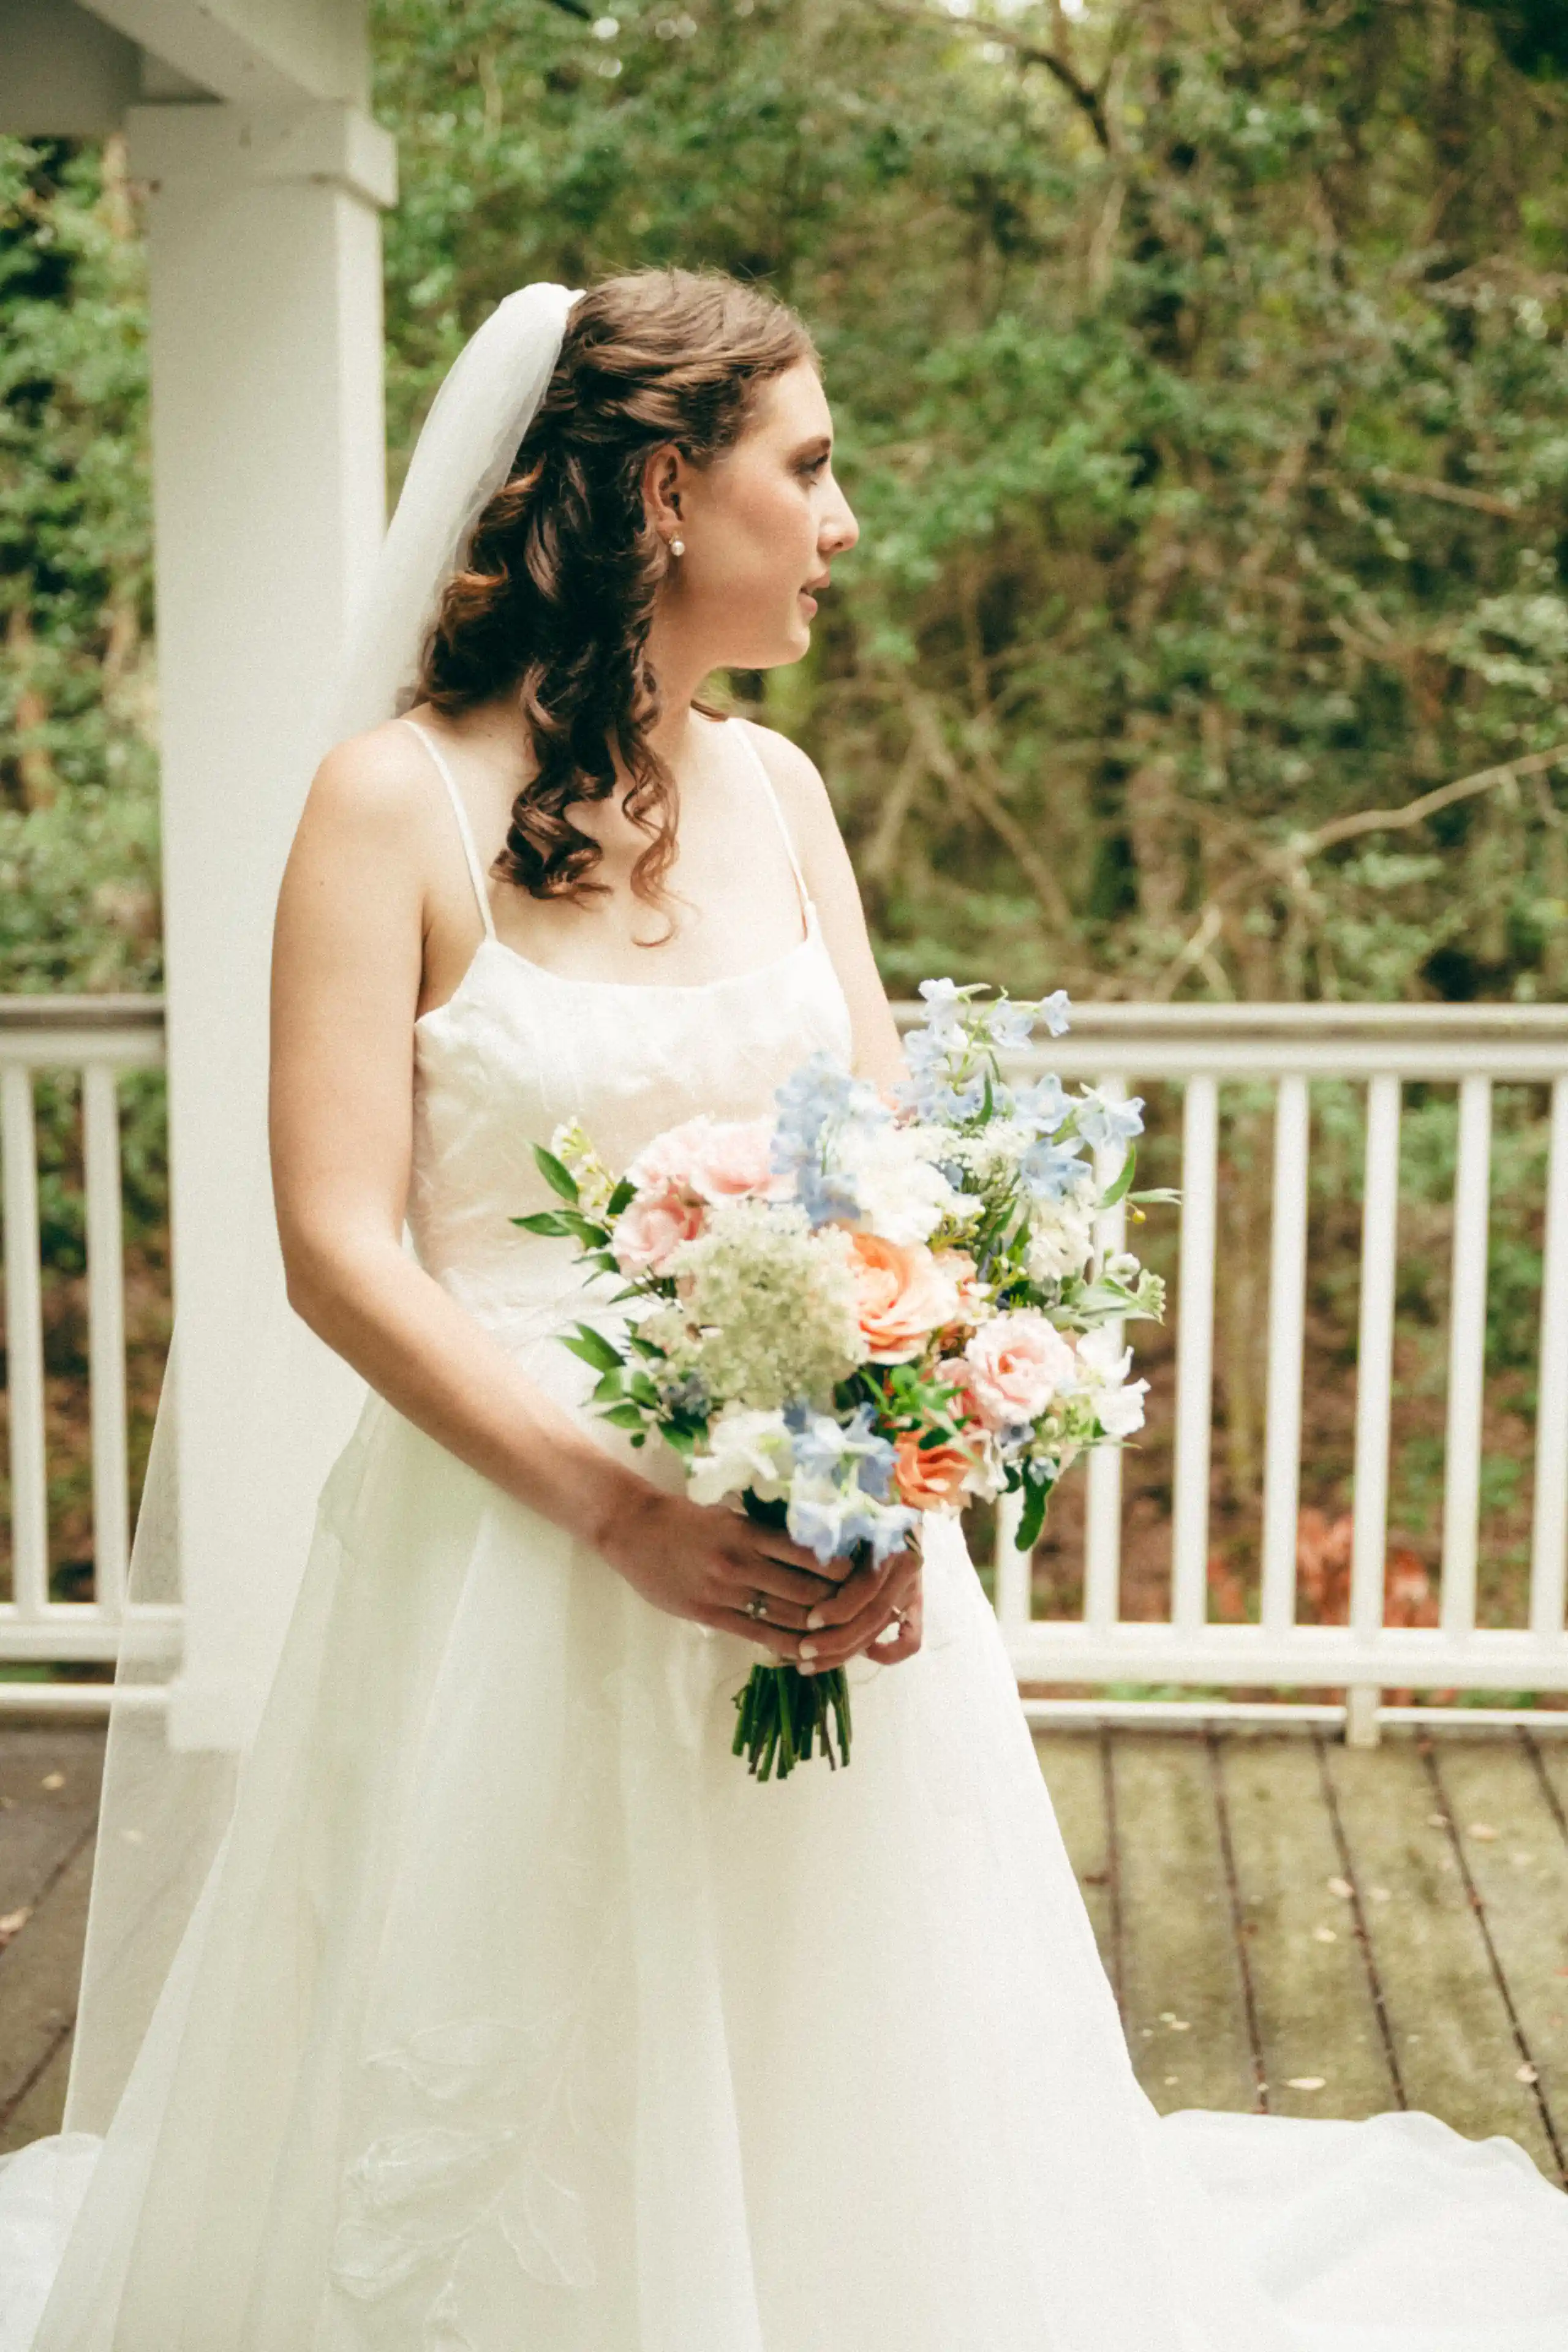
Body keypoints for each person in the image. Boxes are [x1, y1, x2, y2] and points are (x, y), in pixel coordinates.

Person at [2, 265, 1567, 2351]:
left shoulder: (784, 793)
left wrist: (903, 1472)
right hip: (508, 1562)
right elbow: (335, 1246)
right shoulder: (390, 805)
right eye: (807, 469)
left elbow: (882, 1182)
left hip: (805, 1520)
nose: (843, 525)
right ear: (665, 493)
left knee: (850, 2066)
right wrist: (620, 1511)